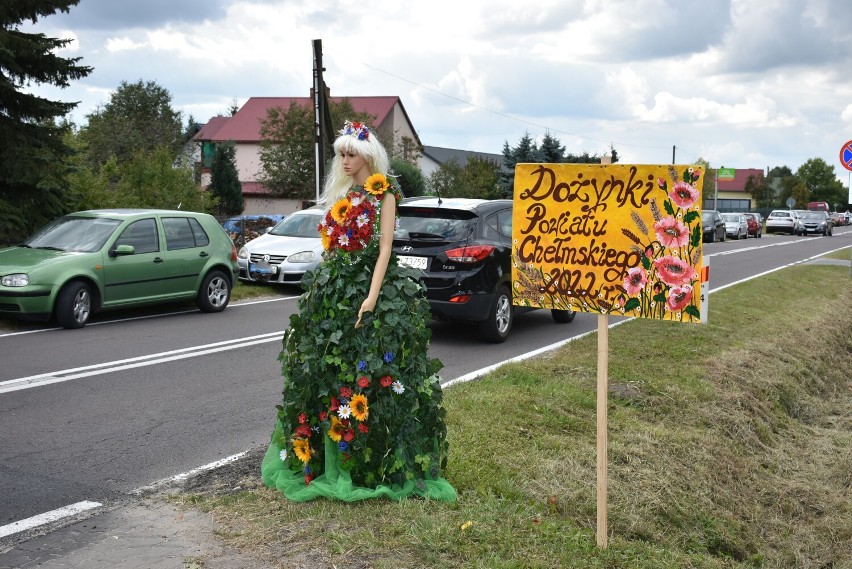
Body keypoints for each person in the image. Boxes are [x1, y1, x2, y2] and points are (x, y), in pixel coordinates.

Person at [261, 121, 456, 502]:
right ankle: (325, 457)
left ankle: (370, 459)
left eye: (351, 154)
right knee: (330, 369)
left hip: (368, 287)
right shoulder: (347, 195)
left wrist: (371, 296)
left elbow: (385, 249)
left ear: (367, 155)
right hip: (336, 289)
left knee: (368, 368)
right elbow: (333, 244)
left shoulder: (385, 195)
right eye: (342, 155)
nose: (345, 161)